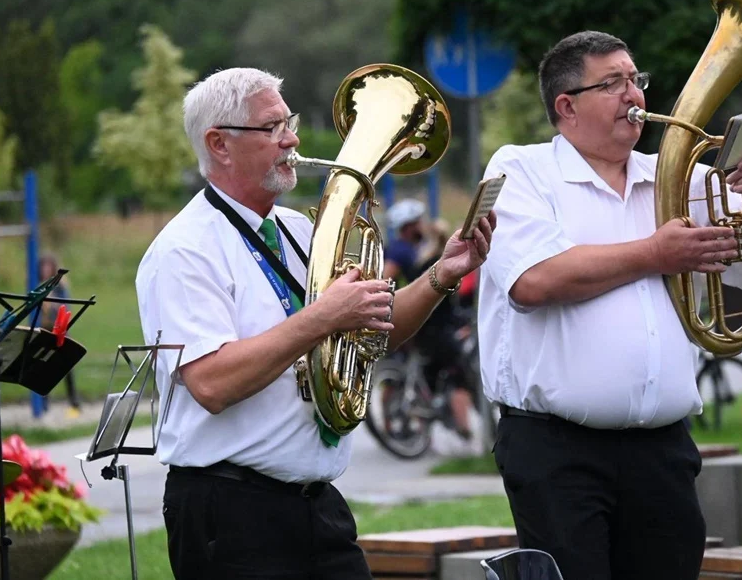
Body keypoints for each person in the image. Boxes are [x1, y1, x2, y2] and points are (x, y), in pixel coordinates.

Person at [477, 31, 742, 580]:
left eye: (636, 80)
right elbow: (533, 281)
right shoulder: (521, 169)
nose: (634, 94)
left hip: (662, 449)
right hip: (557, 451)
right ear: (567, 106)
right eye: (612, 83)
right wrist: (656, 253)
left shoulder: (676, 179)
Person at [136, 67, 495, 580]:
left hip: (316, 504)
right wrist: (322, 316)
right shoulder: (184, 250)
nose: (293, 139)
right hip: (231, 512)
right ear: (219, 144)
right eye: (272, 127)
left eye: (290, 122)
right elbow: (212, 382)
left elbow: (374, 335)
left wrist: (442, 273)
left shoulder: (298, 228)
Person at [384, 200, 476, 441]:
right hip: (431, 323)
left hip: (419, 324)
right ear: (409, 226)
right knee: (458, 372)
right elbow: (386, 277)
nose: (421, 225)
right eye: (417, 222)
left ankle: (400, 423)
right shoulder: (409, 252)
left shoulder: (411, 251)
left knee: (427, 372)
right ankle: (465, 431)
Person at [37, 253, 81, 416]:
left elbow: (65, 307)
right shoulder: (39, 285)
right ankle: (44, 403)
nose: (45, 270)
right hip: (45, 330)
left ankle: (74, 401)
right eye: (43, 266)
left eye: (48, 266)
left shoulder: (60, 286)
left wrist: (51, 301)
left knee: (66, 367)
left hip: (60, 330)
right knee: (43, 367)